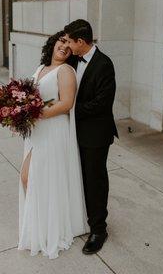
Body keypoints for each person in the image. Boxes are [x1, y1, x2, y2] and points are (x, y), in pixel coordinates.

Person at [18, 30, 89, 259]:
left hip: (54, 130)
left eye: (69, 47)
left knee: (38, 178)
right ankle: (40, 223)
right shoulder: (40, 69)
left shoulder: (66, 71)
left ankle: (50, 227)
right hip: (37, 131)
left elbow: (66, 104)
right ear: (54, 42)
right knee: (29, 177)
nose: (64, 47)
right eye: (62, 41)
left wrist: (33, 113)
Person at [63, 19, 119, 255]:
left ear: (81, 42)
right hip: (72, 131)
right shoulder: (73, 59)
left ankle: (99, 229)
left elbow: (102, 104)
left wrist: (69, 108)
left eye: (69, 41)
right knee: (77, 176)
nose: (66, 45)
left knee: (94, 181)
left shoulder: (104, 64)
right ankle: (80, 218)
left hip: (95, 133)